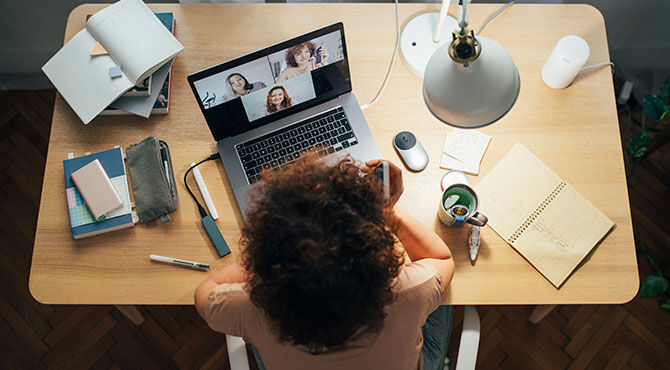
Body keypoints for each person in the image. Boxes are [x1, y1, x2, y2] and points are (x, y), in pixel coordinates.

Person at [195, 154, 455, 370]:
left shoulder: (251, 307)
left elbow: (205, 292)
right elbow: (441, 258)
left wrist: (265, 255)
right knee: (446, 295)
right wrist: (387, 212)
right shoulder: (408, 292)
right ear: (372, 254)